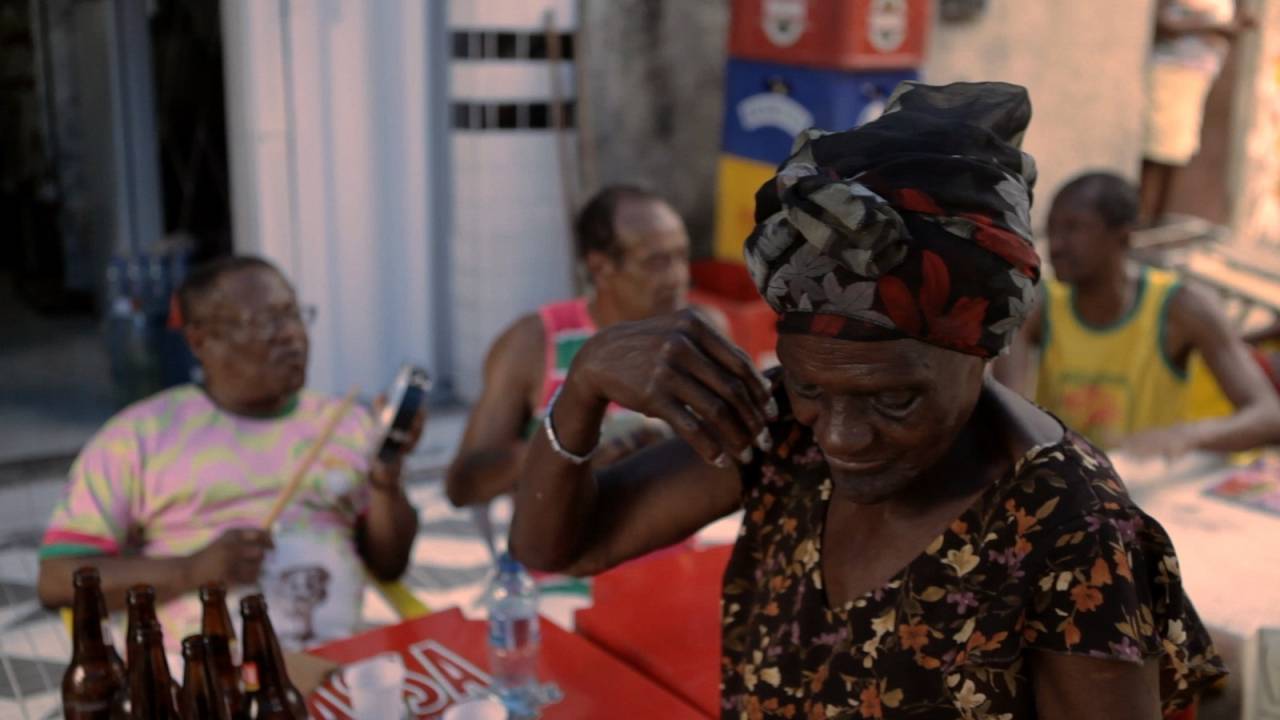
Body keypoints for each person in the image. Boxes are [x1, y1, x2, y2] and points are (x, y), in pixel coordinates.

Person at [510, 81, 1225, 718]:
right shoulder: (782, 429)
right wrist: (585, 389)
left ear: (983, 351)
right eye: (810, 385)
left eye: (894, 400)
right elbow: (563, 544)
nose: (842, 436)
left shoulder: (1067, 526)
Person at [37, 256, 422, 651]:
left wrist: (385, 480)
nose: (291, 335)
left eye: (293, 315)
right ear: (200, 341)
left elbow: (389, 564)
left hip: (334, 666)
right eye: (264, 322)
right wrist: (189, 571)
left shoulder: (345, 423)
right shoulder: (139, 436)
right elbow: (56, 580)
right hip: (202, 682)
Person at [445, 185, 723, 507]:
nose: (678, 277)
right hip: (561, 546)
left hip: (682, 544)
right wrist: (571, 451)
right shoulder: (535, 342)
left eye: (681, 256)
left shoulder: (704, 330)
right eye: (656, 262)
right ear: (600, 267)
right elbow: (463, 485)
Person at [998, 172, 1280, 455]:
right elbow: (1006, 417)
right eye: (1052, 229)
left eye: (1074, 229)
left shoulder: (1181, 307)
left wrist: (1186, 436)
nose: (1056, 245)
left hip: (1144, 486)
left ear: (1123, 236)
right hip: (1066, 484)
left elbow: (1268, 415)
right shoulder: (1038, 305)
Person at [1139, 0, 1254, 224]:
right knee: (1158, 152)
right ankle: (1141, 226)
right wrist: (1215, 28)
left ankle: (1153, 227)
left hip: (1194, 76)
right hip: (1172, 73)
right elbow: (1165, 23)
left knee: (1175, 152)